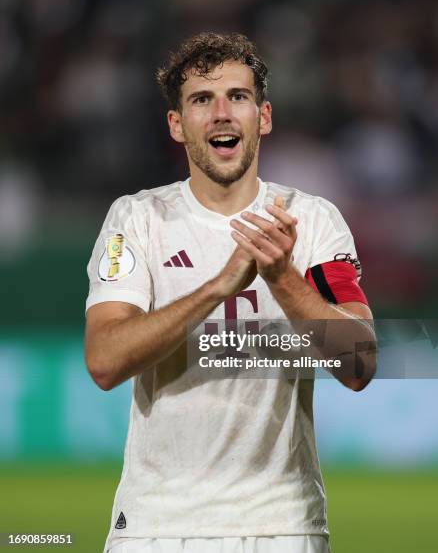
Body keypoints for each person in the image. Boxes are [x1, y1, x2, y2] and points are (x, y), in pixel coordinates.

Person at [85, 32, 376, 553]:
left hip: (282, 525)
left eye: (237, 97)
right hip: (158, 525)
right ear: (177, 125)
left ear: (263, 117)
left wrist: (282, 276)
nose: (221, 113)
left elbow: (360, 364)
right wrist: (219, 286)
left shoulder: (311, 220)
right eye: (201, 100)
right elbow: (105, 360)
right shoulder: (137, 218)